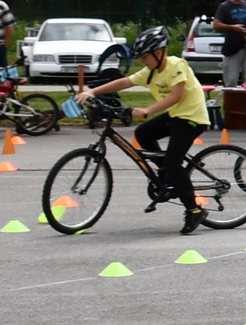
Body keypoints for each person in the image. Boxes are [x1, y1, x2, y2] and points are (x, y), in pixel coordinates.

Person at [77, 27, 212, 232]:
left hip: (192, 118)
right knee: (142, 134)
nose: (143, 61)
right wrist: (92, 91)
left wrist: (147, 109)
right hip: (176, 115)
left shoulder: (177, 65)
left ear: (159, 53)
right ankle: (166, 175)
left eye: (146, 57)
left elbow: (175, 96)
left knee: (173, 162)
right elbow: (124, 82)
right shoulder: (150, 72)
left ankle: (194, 210)